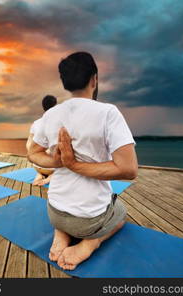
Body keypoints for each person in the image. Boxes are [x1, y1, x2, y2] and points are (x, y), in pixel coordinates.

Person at [28, 52, 138, 270]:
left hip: (54, 211)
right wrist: (70, 164)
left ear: (64, 82)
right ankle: (90, 243)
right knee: (122, 212)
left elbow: (33, 153)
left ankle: (62, 234)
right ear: (94, 79)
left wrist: (57, 162)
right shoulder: (108, 112)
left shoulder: (50, 115)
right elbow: (129, 169)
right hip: (90, 220)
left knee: (67, 215)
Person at [26, 95, 57, 186]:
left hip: (37, 165)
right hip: (50, 167)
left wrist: (37, 154)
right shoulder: (58, 123)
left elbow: (29, 143)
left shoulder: (36, 123)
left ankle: (40, 174)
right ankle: (51, 177)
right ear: (55, 107)